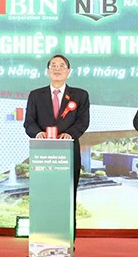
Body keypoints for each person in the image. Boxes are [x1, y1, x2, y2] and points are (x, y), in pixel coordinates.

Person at [23, 54, 91, 198]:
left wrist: (69, 134)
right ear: (48, 71)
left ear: (68, 71)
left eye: (61, 66)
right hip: (43, 154)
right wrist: (38, 133)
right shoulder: (36, 95)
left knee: (68, 195)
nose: (57, 69)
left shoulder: (80, 95)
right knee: (43, 195)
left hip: (68, 152)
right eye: (53, 66)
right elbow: (29, 122)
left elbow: (83, 122)